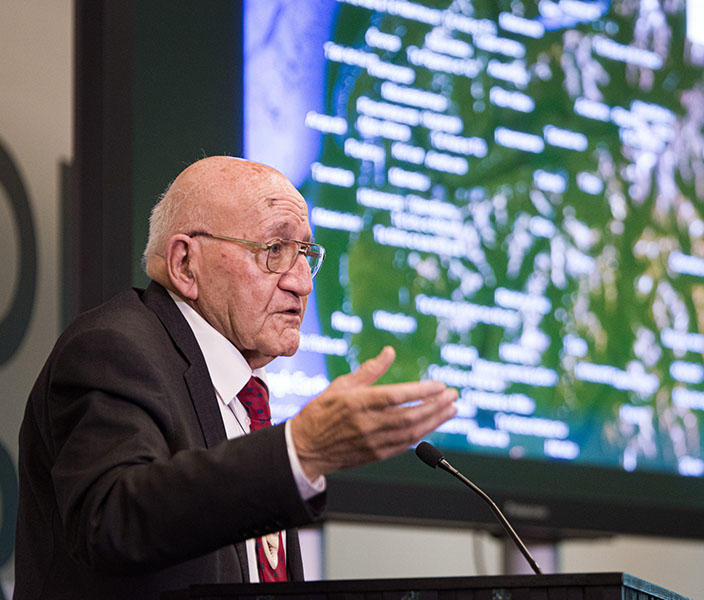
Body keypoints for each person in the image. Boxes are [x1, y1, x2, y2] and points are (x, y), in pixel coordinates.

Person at [14, 156, 457, 600]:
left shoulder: (246, 394)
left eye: (305, 253)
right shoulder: (114, 349)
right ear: (186, 264)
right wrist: (299, 450)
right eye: (275, 251)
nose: (302, 283)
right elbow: (111, 520)